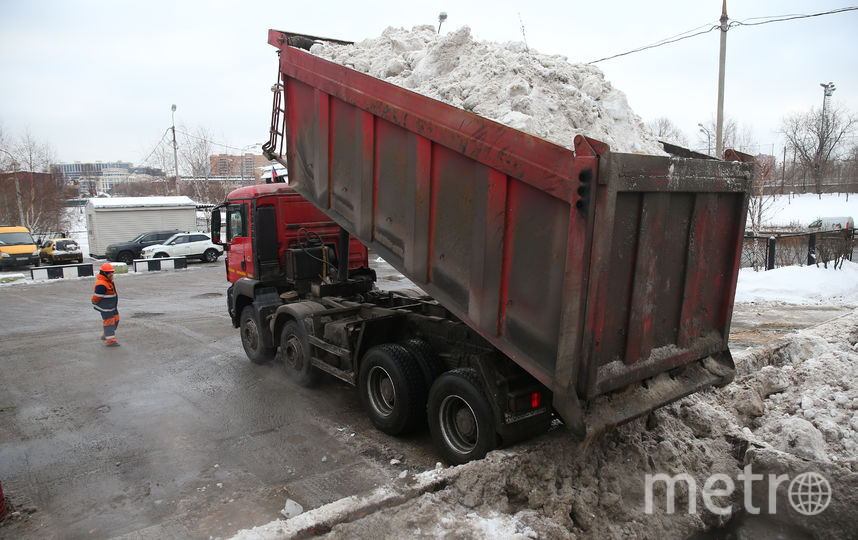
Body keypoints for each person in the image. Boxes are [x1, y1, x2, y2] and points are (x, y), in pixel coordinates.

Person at [92, 262, 120, 347]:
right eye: (108, 272)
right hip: (105, 308)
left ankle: (106, 334)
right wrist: (95, 302)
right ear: (103, 273)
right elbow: (96, 297)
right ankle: (110, 341)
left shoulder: (109, 281)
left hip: (112, 306)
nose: (111, 274)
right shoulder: (101, 284)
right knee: (109, 323)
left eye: (112, 272)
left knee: (116, 319)